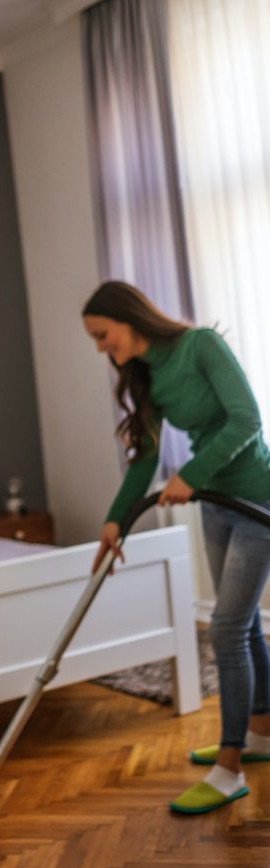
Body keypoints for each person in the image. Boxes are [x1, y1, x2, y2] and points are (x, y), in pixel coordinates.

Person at [82, 280, 270, 816]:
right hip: (216, 504)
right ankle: (260, 735)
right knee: (247, 625)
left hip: (259, 500)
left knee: (228, 630)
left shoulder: (200, 346)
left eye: (102, 334)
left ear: (127, 317)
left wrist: (191, 473)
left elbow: (247, 420)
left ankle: (230, 769)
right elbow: (143, 460)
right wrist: (115, 520)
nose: (100, 347)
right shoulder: (146, 376)